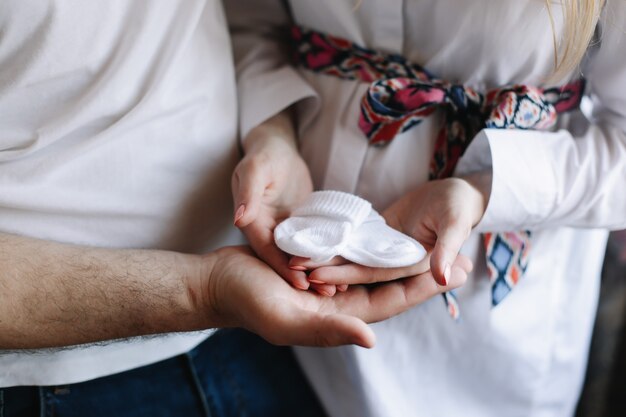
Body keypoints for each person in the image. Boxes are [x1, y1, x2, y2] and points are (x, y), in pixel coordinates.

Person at [0, 1, 469, 415]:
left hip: (261, 328)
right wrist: (202, 292)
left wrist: (272, 133)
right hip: (67, 377)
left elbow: (231, 17)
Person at [227, 0, 626, 416]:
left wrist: (482, 191)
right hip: (281, 294)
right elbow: (253, 21)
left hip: (489, 337)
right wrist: (271, 133)